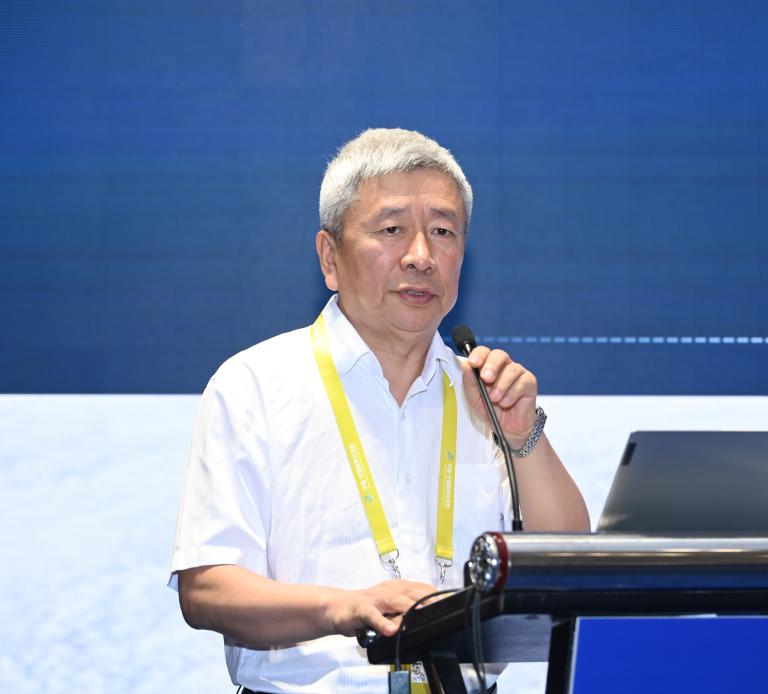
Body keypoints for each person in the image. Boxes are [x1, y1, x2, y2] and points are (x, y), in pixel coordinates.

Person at [169, 128, 590, 693]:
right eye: (392, 230)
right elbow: (206, 589)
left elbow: (570, 567)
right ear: (330, 257)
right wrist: (342, 608)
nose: (421, 256)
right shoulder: (255, 386)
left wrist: (522, 438)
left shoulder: (487, 391)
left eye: (443, 231)